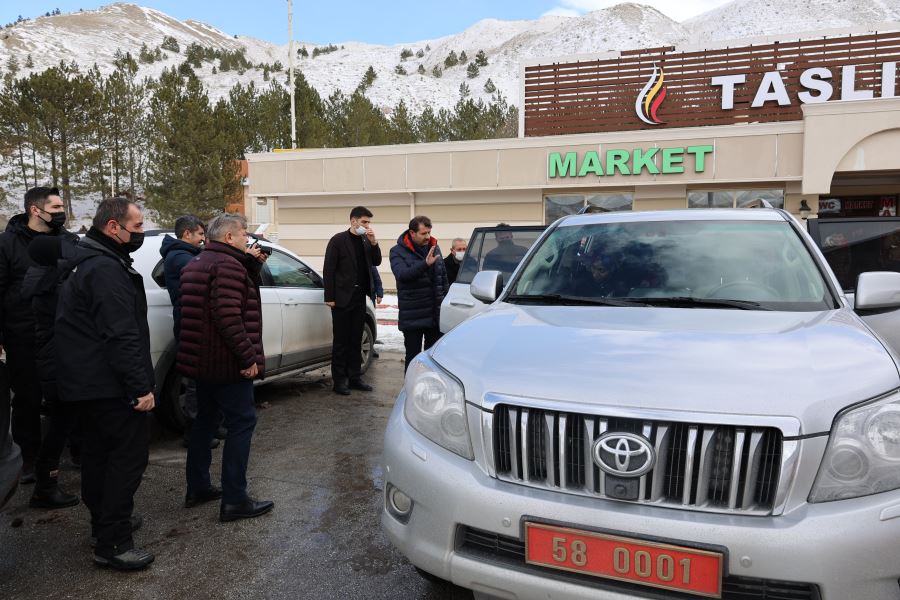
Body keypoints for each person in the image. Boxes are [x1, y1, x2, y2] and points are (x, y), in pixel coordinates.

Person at [55, 197, 155, 571]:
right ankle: (114, 543)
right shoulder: (103, 269)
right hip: (109, 386)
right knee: (124, 461)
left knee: (98, 458)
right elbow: (120, 335)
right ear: (114, 227)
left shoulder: (92, 261)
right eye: (138, 226)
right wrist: (140, 387)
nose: (141, 232)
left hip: (87, 384)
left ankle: (105, 527)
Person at [177, 214, 274, 523]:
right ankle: (235, 499)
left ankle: (199, 486)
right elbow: (228, 317)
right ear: (229, 238)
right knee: (242, 422)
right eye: (243, 233)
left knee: (204, 422)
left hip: (202, 362)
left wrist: (252, 265)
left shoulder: (199, 262)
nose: (247, 237)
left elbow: (216, 304)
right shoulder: (227, 266)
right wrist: (248, 359)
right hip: (226, 364)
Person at [0, 187, 74, 483]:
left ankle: (75, 450)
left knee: (69, 394)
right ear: (35, 209)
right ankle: (29, 459)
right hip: (23, 334)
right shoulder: (7, 244)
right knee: (28, 398)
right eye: (55, 206)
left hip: (63, 332)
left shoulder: (68, 241)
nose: (60, 211)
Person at [21, 235, 81, 509]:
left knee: (63, 424)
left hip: (55, 360)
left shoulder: (42, 278)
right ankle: (45, 487)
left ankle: (46, 484)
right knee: (60, 426)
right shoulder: (52, 284)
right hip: (59, 362)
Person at [160, 215, 222, 450]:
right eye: (199, 235)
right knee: (196, 381)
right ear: (187, 234)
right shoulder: (180, 256)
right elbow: (208, 277)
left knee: (207, 379)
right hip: (190, 323)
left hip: (196, 321)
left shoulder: (185, 254)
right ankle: (195, 433)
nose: (203, 239)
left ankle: (210, 426)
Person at [323, 206, 381, 396]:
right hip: (341, 298)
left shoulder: (366, 241)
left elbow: (376, 262)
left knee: (356, 338)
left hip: (359, 297)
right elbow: (329, 269)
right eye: (364, 222)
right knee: (341, 341)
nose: (367, 225)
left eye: (368, 222)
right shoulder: (338, 240)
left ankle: (354, 377)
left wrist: (374, 243)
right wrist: (329, 297)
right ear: (353, 221)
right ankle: (339, 380)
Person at [390, 216, 449, 373]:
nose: (428, 237)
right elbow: (402, 274)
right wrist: (425, 264)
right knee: (413, 359)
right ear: (412, 233)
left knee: (434, 359)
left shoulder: (435, 248)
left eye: (429, 232)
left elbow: (442, 278)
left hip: (434, 314)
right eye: (424, 233)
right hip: (413, 315)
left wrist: (446, 303)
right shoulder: (397, 251)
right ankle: (410, 392)